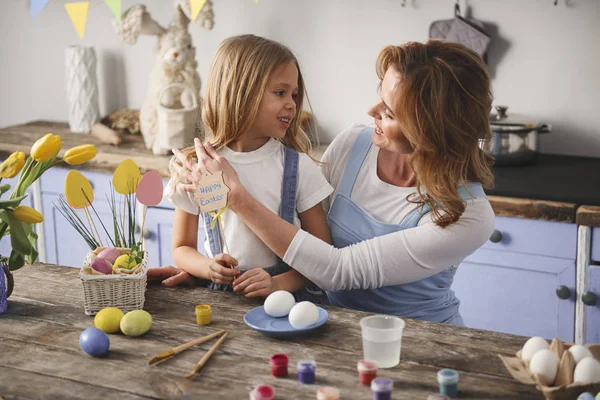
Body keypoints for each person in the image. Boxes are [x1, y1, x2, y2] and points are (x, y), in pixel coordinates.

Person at [159, 40, 496, 326]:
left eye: (389, 112)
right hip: (325, 325)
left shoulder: (467, 216)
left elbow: (336, 268)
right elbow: (289, 229)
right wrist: (205, 272)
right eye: (380, 93)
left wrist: (238, 200)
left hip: (415, 338)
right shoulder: (353, 145)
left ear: (431, 131)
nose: (370, 110)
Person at [163, 34, 333, 301]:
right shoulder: (196, 169)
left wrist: (278, 283)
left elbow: (323, 257)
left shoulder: (298, 168)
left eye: (294, 94)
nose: (291, 103)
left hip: (287, 300)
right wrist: (208, 268)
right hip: (222, 302)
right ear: (241, 93)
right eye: (280, 92)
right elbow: (182, 247)